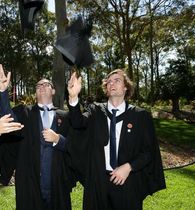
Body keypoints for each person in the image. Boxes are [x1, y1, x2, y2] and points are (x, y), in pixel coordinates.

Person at [67, 69, 166, 210]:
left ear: (126, 87)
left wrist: (128, 167)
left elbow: (149, 152)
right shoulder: (95, 111)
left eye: (117, 80)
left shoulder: (140, 116)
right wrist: (73, 97)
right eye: (109, 81)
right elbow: (77, 123)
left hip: (128, 182)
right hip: (98, 182)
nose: (111, 83)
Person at [0, 64, 76, 210]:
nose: (42, 87)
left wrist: (59, 140)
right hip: (30, 180)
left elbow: (76, 145)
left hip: (57, 180)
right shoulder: (24, 113)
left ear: (53, 90)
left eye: (46, 84)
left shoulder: (66, 117)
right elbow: (7, 116)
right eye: (38, 85)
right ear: (35, 92)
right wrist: (3, 91)